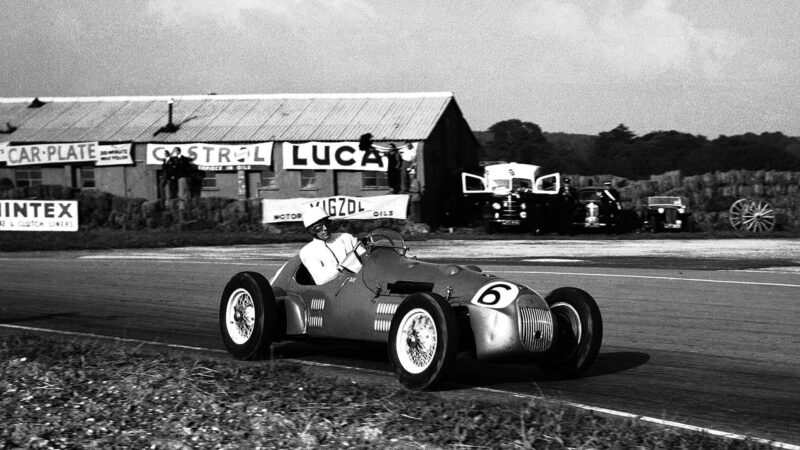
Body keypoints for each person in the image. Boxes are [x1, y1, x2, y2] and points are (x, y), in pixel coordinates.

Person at [299, 207, 361, 285]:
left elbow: (366, 258)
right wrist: (341, 267)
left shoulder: (346, 237)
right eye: (319, 227)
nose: (325, 228)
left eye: (327, 224)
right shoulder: (307, 251)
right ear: (311, 231)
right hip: (334, 291)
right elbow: (320, 279)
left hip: (360, 283)